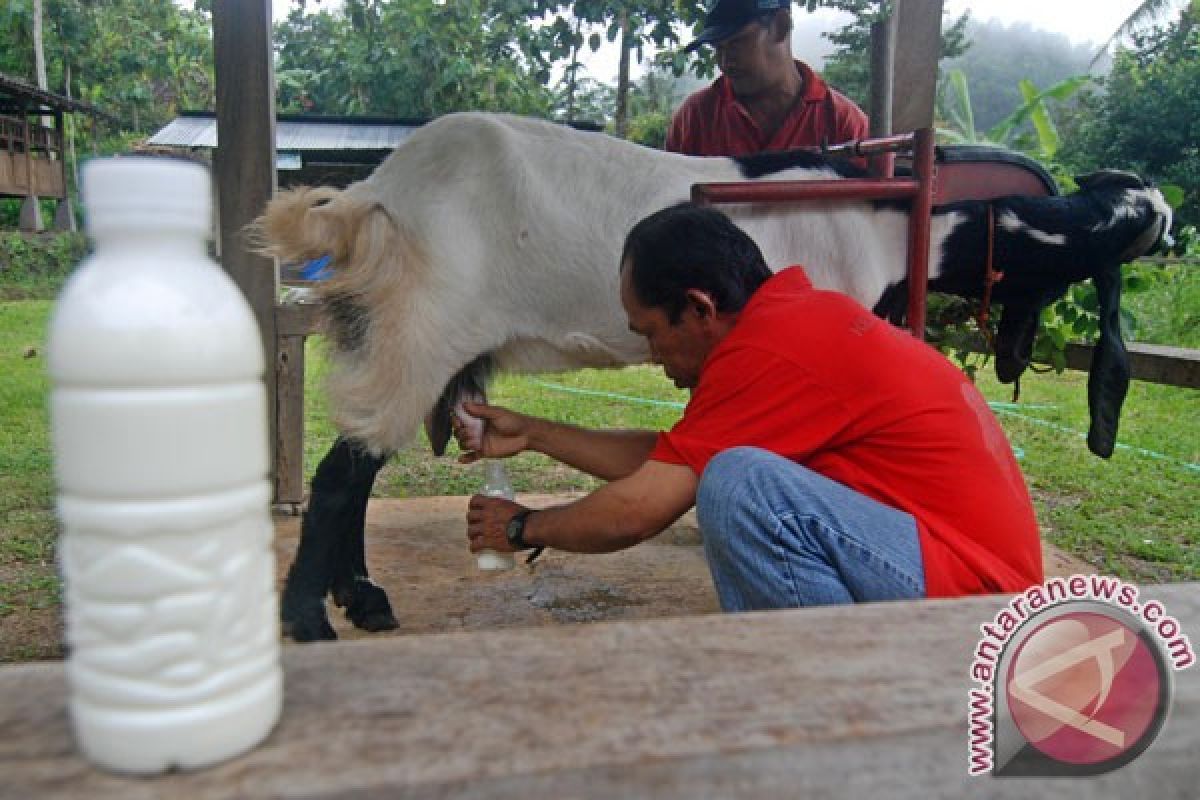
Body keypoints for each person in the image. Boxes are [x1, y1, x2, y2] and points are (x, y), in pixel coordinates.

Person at [458, 203, 1044, 611]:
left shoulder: (770, 349)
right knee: (728, 472)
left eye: (652, 332)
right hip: (956, 574)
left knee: (741, 484)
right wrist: (534, 433)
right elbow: (670, 463)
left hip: (974, 601)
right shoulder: (784, 326)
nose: (652, 355)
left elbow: (639, 509)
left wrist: (521, 526)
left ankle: (820, 702)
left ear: (699, 309)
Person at [666, 0, 869, 157]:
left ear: (781, 26)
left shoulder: (843, 123)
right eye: (718, 48)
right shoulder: (694, 119)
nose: (725, 61)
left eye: (738, 42)